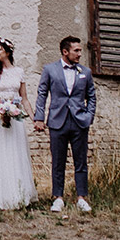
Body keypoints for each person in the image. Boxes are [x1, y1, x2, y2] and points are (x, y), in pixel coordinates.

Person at [33, 35, 96, 213]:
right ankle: (58, 197)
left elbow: (91, 96)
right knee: (58, 161)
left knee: (81, 161)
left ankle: (82, 197)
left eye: (80, 50)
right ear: (65, 51)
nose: (79, 54)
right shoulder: (50, 70)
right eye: (76, 50)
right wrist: (39, 118)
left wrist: (89, 116)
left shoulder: (86, 72)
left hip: (79, 122)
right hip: (57, 121)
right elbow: (42, 94)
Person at [0, 37, 39, 209]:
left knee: (14, 153)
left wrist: (34, 118)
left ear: (8, 52)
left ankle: (17, 193)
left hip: (15, 116)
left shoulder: (19, 72)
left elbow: (24, 99)